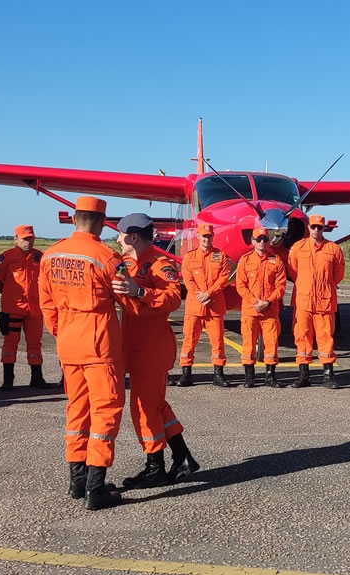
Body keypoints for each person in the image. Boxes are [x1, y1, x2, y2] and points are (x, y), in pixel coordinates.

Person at [39, 196, 125, 510]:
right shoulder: (105, 256)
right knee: (106, 409)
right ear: (101, 223)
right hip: (98, 341)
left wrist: (63, 333)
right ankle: (95, 488)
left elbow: (47, 305)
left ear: (74, 219)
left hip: (68, 341)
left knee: (78, 410)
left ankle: (77, 481)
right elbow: (128, 300)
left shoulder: (50, 254)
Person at [110, 213, 200, 488]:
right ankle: (183, 457)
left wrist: (141, 293)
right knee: (156, 406)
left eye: (120, 234)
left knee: (144, 409)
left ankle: (155, 467)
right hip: (134, 348)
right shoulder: (125, 263)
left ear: (133, 237)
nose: (116, 239)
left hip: (151, 349)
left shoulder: (161, 265)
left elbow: (174, 298)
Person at [288, 214, 345, 389]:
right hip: (303, 300)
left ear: (324, 228)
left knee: (326, 337)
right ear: (309, 228)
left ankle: (328, 376)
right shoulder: (298, 248)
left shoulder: (333, 249)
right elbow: (293, 271)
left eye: (320, 227)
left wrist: (324, 286)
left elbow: (338, 274)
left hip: (324, 301)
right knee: (302, 337)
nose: (316, 230)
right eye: (313, 227)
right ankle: (303, 375)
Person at [0, 225, 49, 390]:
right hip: (13, 309)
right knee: (10, 344)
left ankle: (37, 378)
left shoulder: (40, 257)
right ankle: (8, 380)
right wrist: (10, 295)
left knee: (35, 344)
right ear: (16, 239)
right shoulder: (6, 258)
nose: (28, 242)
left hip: (34, 309)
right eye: (24, 239)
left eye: (31, 238)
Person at [177, 223, 232, 388]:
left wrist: (209, 293)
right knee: (189, 340)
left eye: (209, 236)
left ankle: (218, 374)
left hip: (214, 305)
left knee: (217, 341)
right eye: (203, 236)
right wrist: (200, 295)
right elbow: (188, 279)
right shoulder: (189, 257)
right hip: (195, 306)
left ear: (212, 237)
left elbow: (224, 277)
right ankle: (186, 373)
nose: (206, 239)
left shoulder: (221, 256)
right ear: (198, 237)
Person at [235, 226, 287, 388]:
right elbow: (240, 285)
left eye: (264, 239)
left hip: (270, 310)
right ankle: (249, 377)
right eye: (258, 239)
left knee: (271, 343)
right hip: (251, 310)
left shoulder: (276, 260)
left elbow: (281, 286)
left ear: (269, 241)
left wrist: (268, 302)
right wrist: (254, 302)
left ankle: (270, 376)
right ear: (252, 241)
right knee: (248, 343)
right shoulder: (245, 260)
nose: (261, 242)